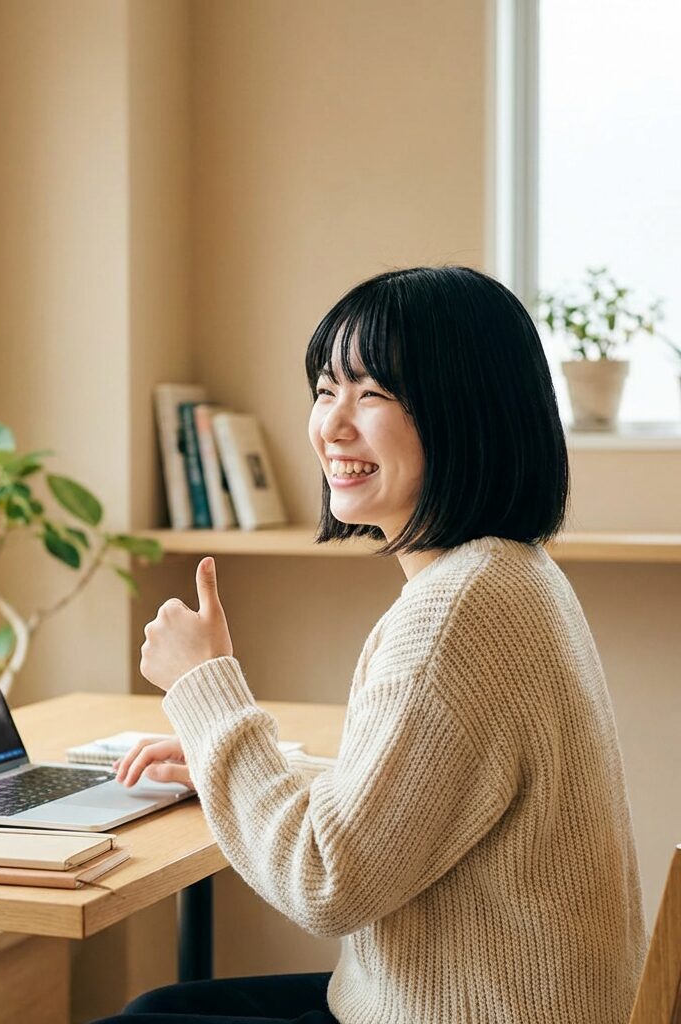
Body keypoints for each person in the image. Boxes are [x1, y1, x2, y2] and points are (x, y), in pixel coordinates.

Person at [100, 267, 647, 1024]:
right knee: (157, 1007)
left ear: (465, 414)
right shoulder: (507, 573)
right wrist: (229, 767)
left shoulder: (459, 611)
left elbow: (326, 881)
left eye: (373, 394)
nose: (332, 425)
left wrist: (206, 689)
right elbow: (414, 803)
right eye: (326, 390)